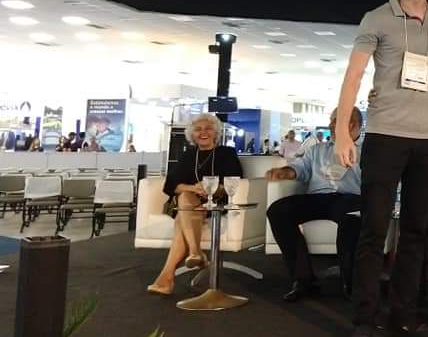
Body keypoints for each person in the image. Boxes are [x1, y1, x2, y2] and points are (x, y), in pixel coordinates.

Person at [335, 0, 428, 337]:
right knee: (374, 230)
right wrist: (342, 131)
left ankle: (404, 315)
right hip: (385, 137)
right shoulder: (377, 18)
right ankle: (364, 320)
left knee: (416, 233)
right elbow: (353, 75)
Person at [265, 107, 363, 302]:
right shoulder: (317, 150)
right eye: (332, 120)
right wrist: (286, 172)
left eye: (335, 121)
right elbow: (300, 168)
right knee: (278, 210)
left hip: (350, 197)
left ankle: (350, 282)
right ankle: (303, 279)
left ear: (352, 124)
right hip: (318, 197)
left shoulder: (368, 151)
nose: (330, 125)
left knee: (351, 215)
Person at [147, 113, 242, 295]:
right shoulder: (188, 155)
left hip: (214, 204)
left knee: (181, 219)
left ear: (216, 133)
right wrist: (193, 188)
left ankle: (170, 275)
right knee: (185, 197)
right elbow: (171, 185)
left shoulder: (226, 153)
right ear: (192, 134)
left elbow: (234, 181)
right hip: (190, 203)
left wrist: (213, 189)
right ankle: (195, 253)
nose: (203, 132)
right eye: (198, 129)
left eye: (208, 128)